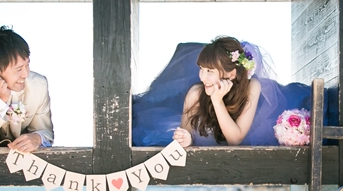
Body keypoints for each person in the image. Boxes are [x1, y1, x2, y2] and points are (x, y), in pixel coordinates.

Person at [132, 36, 316, 147]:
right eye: (201, 69)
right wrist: (186, 139)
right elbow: (184, 134)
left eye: (210, 71)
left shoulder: (253, 87)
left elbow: (235, 139)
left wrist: (218, 101)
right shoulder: (196, 94)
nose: (203, 77)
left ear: (231, 72)